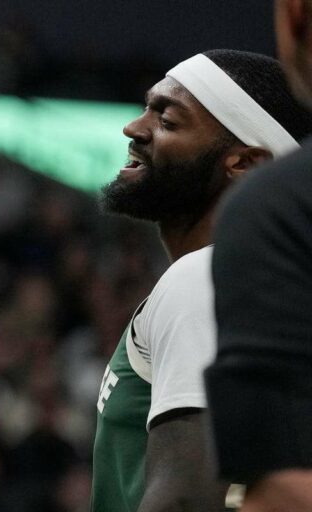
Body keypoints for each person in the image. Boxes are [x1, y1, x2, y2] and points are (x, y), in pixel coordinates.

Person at [90, 49, 312, 512]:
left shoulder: (203, 279)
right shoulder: (266, 290)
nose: (134, 128)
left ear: (245, 163)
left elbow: (186, 499)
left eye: (168, 121)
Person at [204, 2, 312, 509]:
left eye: (166, 116)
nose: (133, 129)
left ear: (294, 14)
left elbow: (288, 489)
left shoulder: (282, 207)